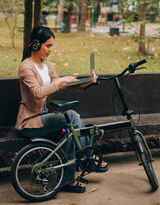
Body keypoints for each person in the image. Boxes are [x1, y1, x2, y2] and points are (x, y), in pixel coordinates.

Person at [15, 26, 108, 193]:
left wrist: (86, 82)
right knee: (71, 116)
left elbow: (62, 86)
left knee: (70, 131)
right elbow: (38, 93)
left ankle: (68, 178)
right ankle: (87, 158)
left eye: (52, 46)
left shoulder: (47, 65)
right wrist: (58, 82)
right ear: (35, 45)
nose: (50, 50)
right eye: (48, 46)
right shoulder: (26, 67)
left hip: (45, 118)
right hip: (31, 122)